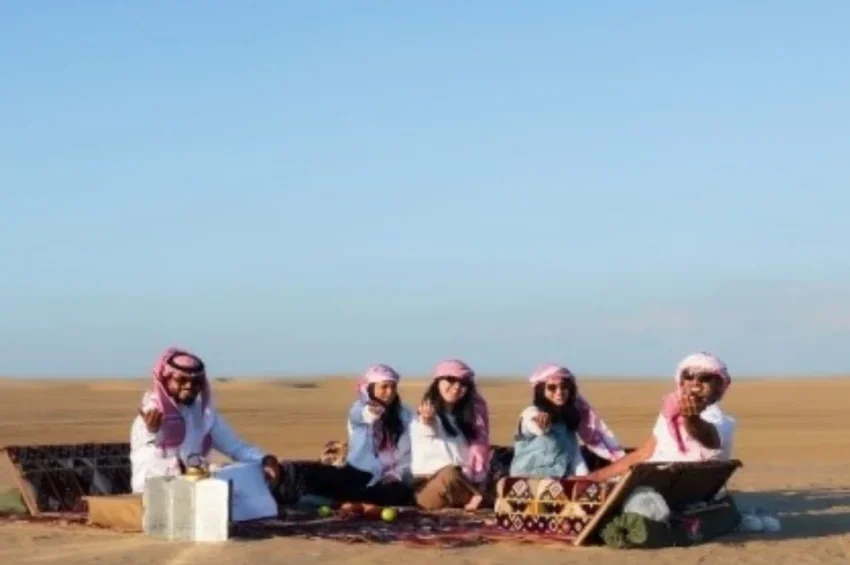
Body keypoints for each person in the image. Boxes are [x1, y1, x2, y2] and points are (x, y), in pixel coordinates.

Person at [130, 347, 281, 493]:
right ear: (166, 380)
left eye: (196, 382)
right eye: (181, 380)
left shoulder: (203, 414)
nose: (189, 386)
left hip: (194, 491)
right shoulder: (151, 414)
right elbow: (146, 465)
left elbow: (236, 447)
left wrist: (264, 460)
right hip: (153, 497)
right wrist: (152, 432)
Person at [586, 352, 736, 483]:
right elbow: (644, 453)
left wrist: (692, 419)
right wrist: (594, 478)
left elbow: (711, 440)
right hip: (649, 479)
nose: (695, 383)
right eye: (689, 376)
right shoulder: (670, 414)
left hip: (677, 486)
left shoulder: (718, 418)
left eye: (705, 378)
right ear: (681, 382)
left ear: (719, 385)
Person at [288, 364, 415, 506]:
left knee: (397, 494)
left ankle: (341, 500)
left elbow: (406, 451)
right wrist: (370, 413)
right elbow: (358, 415)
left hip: (389, 478)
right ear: (370, 388)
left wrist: (398, 474)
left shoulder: (405, 414)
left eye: (393, 387)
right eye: (384, 387)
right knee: (313, 475)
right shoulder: (359, 408)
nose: (390, 392)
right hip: (357, 471)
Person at [509, 363, 625, 478]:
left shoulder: (568, 422)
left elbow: (575, 457)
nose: (559, 392)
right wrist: (542, 422)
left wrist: (585, 481)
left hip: (559, 483)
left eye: (564, 387)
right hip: (528, 481)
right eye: (552, 387)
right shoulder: (530, 412)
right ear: (541, 390)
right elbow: (535, 426)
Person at [409, 359, 490, 510]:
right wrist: (427, 419)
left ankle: (474, 497)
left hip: (461, 482)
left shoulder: (464, 423)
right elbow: (426, 428)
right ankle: (476, 498)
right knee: (449, 474)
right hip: (429, 486)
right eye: (451, 380)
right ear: (437, 382)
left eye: (463, 383)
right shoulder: (423, 416)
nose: (457, 386)